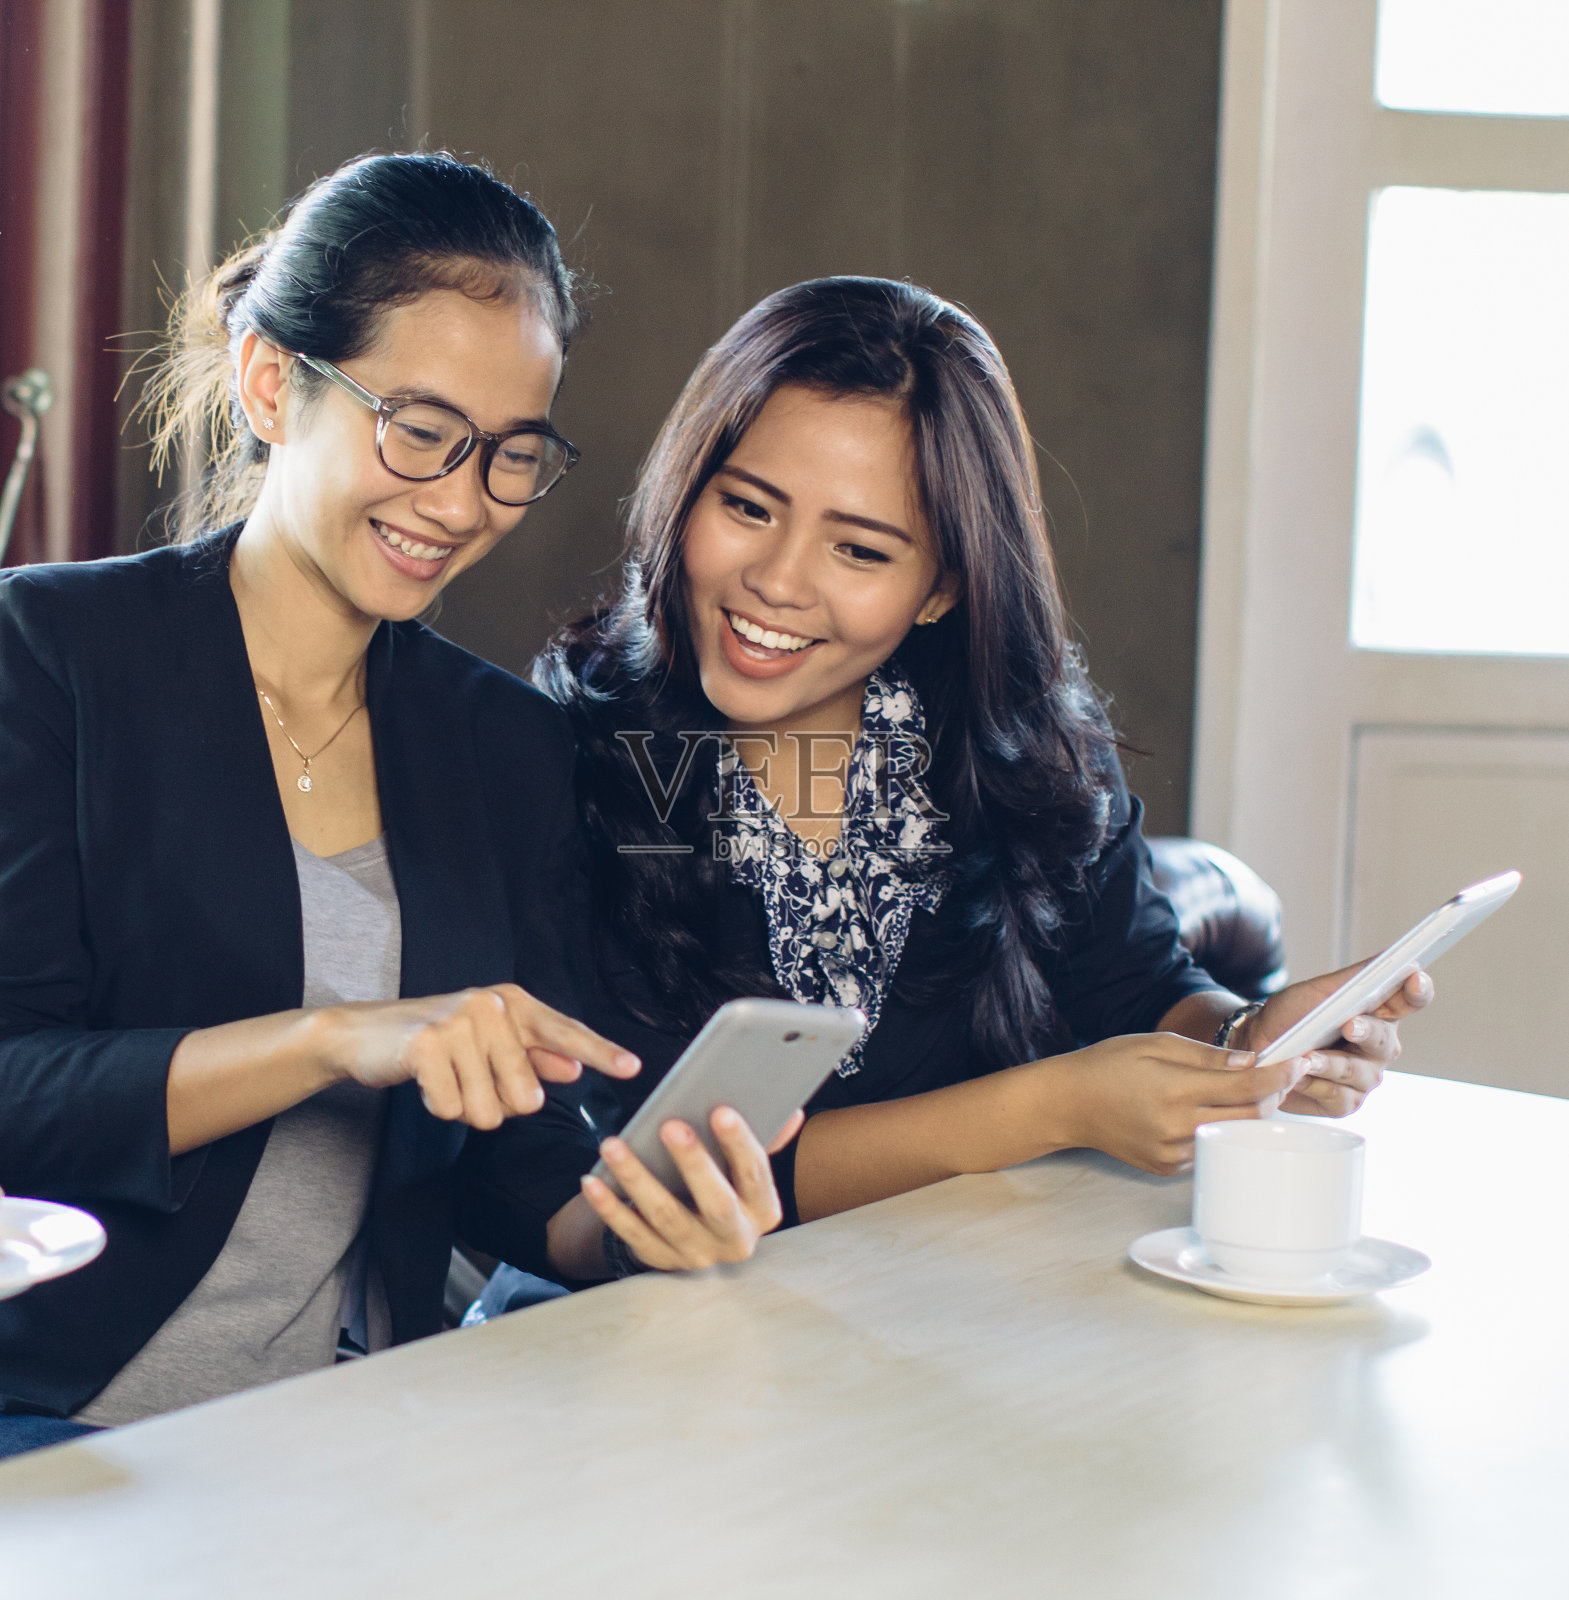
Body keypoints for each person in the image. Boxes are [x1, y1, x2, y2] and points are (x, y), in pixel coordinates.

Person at [0, 152, 787, 1458]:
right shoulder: (51, 654)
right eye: (420, 431)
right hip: (55, 1416)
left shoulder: (504, 748)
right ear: (270, 384)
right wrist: (331, 1040)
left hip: (356, 1428)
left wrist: (643, 1222)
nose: (463, 500)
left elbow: (519, 1181)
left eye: (511, 454)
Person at [477, 275, 1427, 1311]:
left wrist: (1253, 1042)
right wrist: (1051, 1106)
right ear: (685, 491)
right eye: (747, 507)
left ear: (942, 584)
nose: (778, 581)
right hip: (622, 1359)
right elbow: (663, 1166)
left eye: (859, 549)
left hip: (942, 1328)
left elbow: (1137, 991)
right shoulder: (556, 764)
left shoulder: (1023, 758)